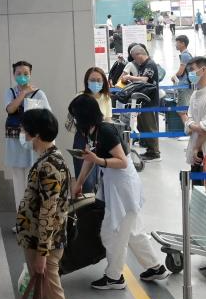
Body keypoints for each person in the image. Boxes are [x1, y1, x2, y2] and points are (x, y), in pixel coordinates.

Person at [69, 95, 168, 290]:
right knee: (131, 231)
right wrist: (79, 183)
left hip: (123, 187)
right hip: (114, 184)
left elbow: (122, 161)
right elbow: (89, 158)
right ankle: (155, 267)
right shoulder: (91, 131)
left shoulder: (105, 130)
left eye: (75, 115)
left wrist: (99, 161)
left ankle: (114, 277)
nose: (73, 119)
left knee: (112, 233)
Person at [16, 109, 70, 299]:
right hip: (39, 241)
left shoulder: (49, 166)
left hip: (43, 244)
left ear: (36, 134)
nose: (23, 135)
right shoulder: (49, 158)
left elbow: (48, 212)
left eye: (24, 131)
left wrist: (42, 254)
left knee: (51, 294)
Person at [4, 60, 51, 209]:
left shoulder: (39, 94)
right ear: (13, 75)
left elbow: (48, 115)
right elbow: (10, 109)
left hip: (33, 143)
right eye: (19, 73)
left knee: (33, 180)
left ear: (30, 75)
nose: (22, 76)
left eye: (26, 74)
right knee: (18, 181)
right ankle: (21, 219)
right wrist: (23, 94)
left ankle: (33, 217)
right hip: (14, 141)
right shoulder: (10, 92)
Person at [69, 68, 112, 194]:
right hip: (83, 138)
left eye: (99, 80)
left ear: (104, 81)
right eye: (92, 80)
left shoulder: (106, 98)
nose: (96, 83)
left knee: (101, 175)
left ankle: (99, 205)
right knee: (85, 176)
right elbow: (75, 119)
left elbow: (108, 119)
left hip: (101, 139)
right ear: (86, 81)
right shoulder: (80, 97)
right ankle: (86, 203)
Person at [119, 45, 162, 161]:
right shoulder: (143, 65)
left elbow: (144, 80)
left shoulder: (150, 64)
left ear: (139, 55)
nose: (134, 60)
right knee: (144, 126)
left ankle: (154, 152)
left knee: (150, 127)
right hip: (143, 100)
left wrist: (130, 77)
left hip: (150, 101)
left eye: (134, 57)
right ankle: (150, 150)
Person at [172, 35, 193, 109]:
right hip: (188, 83)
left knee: (182, 111)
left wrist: (174, 76)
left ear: (183, 44)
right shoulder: (187, 54)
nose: (176, 45)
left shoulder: (185, 55)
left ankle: (187, 121)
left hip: (184, 84)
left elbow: (180, 72)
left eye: (177, 43)